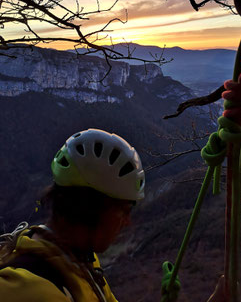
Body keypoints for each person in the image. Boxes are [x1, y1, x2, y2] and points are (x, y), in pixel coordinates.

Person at [0, 128, 225, 302]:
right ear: (89, 209)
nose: (127, 222)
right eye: (123, 211)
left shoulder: (80, 259)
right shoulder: (33, 293)